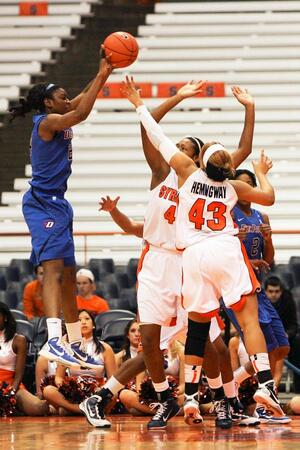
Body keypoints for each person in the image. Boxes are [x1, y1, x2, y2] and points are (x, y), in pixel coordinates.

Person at [81, 81, 256, 430]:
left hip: (190, 263)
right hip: (157, 262)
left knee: (213, 346)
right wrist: (175, 97)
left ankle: (227, 400)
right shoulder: (161, 174)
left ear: (195, 157)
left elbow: (243, 150)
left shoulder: (205, 180)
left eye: (183, 147)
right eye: (174, 144)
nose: (174, 147)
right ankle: (164, 401)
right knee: (149, 339)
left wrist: (248, 108)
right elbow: (149, 126)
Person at [122, 76, 284, 427]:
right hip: (218, 250)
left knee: (199, 333)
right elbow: (268, 196)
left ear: (196, 158)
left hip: (191, 256)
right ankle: (264, 385)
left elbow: (155, 133)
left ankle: (196, 396)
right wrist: (259, 166)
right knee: (246, 320)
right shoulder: (230, 185)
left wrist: (138, 103)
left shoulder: (185, 173)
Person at [9, 50, 113, 368]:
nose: (68, 101)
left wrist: (102, 75)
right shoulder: (47, 121)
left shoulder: (58, 112)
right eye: (62, 97)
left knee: (68, 275)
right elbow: (79, 113)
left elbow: (80, 102)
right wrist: (101, 75)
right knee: (53, 272)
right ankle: (53, 339)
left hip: (59, 203)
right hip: (43, 203)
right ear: (49, 103)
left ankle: (73, 341)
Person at [223, 170, 290, 423]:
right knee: (269, 347)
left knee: (282, 346)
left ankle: (233, 384)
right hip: (239, 289)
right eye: (242, 183)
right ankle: (263, 404)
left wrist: (268, 238)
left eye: (250, 183)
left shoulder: (262, 215)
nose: (246, 187)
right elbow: (226, 259)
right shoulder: (227, 215)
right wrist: (237, 245)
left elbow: (269, 258)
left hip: (258, 289)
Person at [42, 309, 116, 416]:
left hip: (97, 392)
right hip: (74, 393)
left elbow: (112, 379)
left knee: (114, 394)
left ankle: (72, 410)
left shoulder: (105, 348)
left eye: (87, 319)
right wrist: (64, 388)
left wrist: (101, 390)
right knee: (48, 390)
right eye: (79, 320)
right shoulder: (66, 347)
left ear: (94, 325)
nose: (83, 322)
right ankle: (81, 410)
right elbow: (59, 377)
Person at [0, 302, 49, 416]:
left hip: (10, 385)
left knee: (38, 408)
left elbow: (19, 374)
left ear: (6, 318)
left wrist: (11, 393)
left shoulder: (19, 340)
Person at [265, 275, 300, 393]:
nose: (274, 294)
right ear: (265, 291)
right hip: (264, 337)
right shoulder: (260, 301)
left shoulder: (288, 300)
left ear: (281, 291)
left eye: (276, 291)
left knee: (297, 342)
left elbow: (294, 324)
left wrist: (287, 334)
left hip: (284, 338)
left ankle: (298, 387)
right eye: (270, 291)